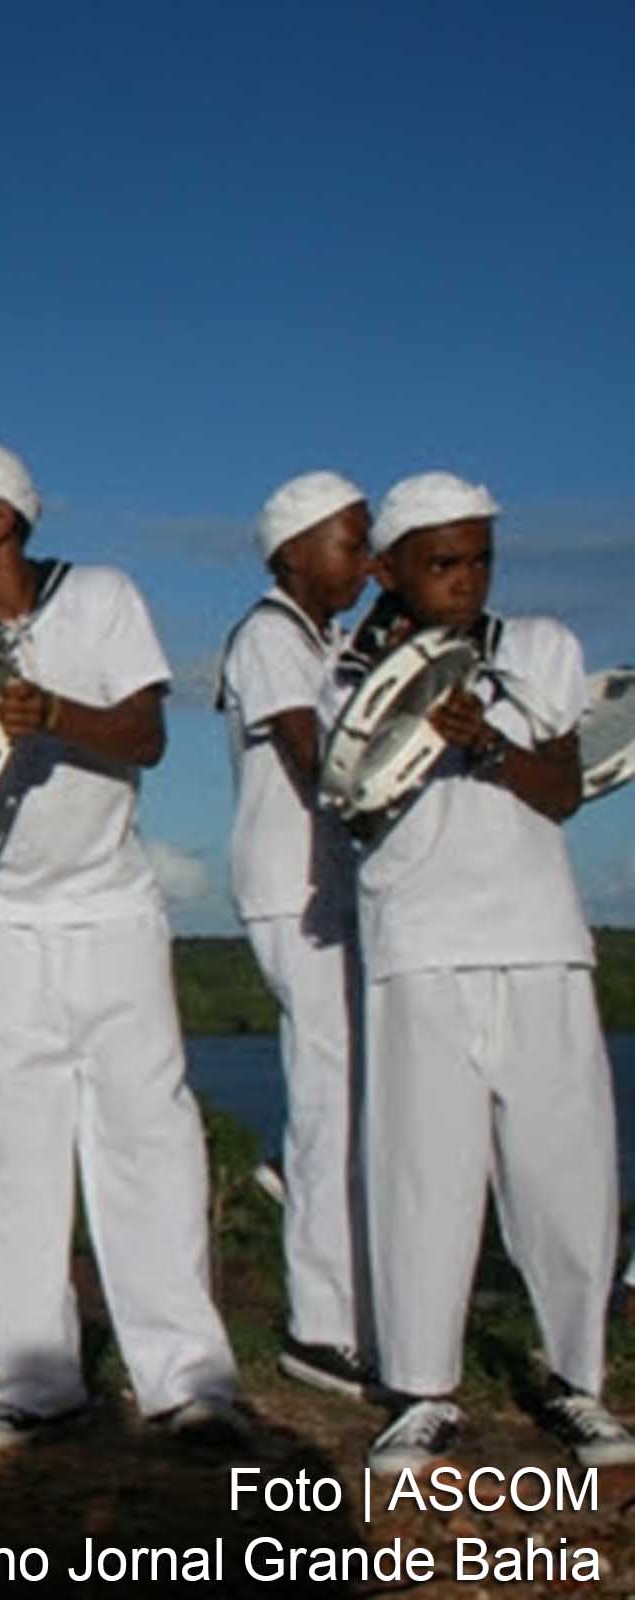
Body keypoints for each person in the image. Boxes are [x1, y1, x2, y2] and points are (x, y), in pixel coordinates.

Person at [0, 437, 242, 1449]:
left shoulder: (102, 596)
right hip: (2, 923)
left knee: (148, 1141)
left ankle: (188, 1377)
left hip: (114, 909)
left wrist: (54, 714)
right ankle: (36, 1376)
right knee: (6, 1152)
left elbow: (147, 737)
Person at [333, 472, 633, 1472]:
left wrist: (488, 742)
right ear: (388, 568)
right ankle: (422, 1389)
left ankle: (576, 1380)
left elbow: (563, 789)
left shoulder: (541, 645)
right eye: (442, 561)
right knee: (423, 1173)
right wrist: (411, 699)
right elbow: (355, 804)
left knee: (567, 1167)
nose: (465, 579)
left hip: (540, 937)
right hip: (418, 943)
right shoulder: (349, 670)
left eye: (479, 559)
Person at [216, 472, 374, 1398]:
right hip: (291, 887)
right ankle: (322, 1331)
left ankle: (288, 1167)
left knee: (345, 1087)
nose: (363, 561)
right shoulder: (271, 638)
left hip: (331, 885)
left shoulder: (333, 639)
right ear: (291, 555)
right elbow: (315, 757)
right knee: (330, 1090)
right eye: (348, 544)